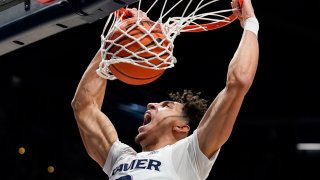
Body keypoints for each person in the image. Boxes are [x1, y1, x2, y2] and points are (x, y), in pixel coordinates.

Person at [71, 0, 259, 179]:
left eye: (166, 105)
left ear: (182, 127)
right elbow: (84, 105)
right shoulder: (120, 158)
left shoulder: (188, 156)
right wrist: (119, 38)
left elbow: (238, 82)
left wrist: (251, 22)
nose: (150, 104)